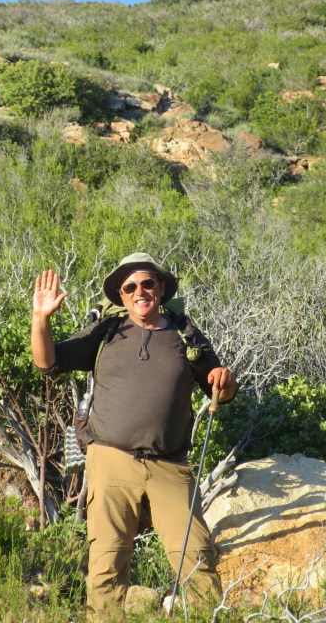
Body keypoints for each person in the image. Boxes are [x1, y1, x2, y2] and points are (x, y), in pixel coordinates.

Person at [31, 252, 237, 620]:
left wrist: (226, 379)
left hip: (169, 464)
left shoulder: (185, 333)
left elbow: (219, 386)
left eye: (147, 283)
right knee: (107, 563)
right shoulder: (106, 332)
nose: (139, 291)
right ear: (121, 295)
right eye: (130, 287)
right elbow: (48, 362)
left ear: (160, 288)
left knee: (195, 557)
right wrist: (41, 319)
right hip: (111, 459)